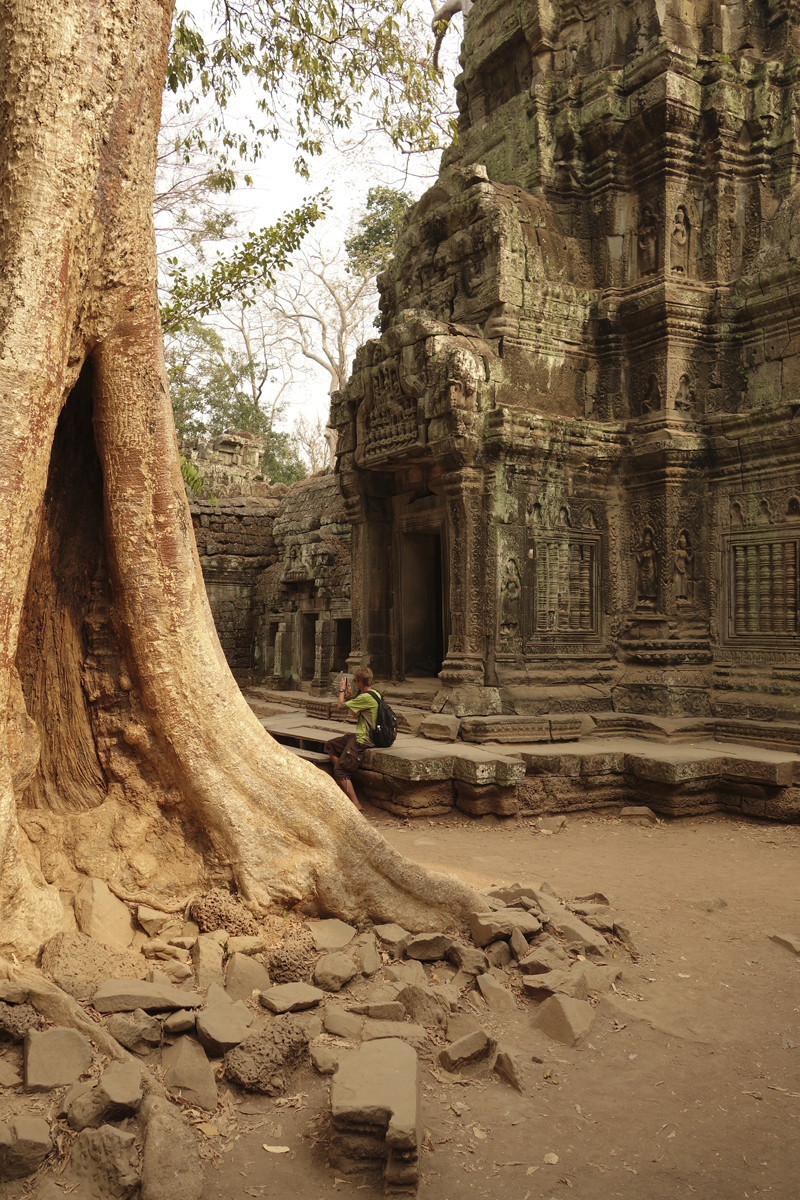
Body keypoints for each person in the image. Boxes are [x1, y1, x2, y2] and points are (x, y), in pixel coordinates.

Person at [323, 667, 380, 812]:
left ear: (360, 681)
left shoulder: (365, 697)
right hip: (360, 735)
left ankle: (355, 803)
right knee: (331, 746)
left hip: (364, 739)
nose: (354, 683)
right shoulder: (374, 694)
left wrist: (341, 690)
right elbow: (355, 714)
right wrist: (349, 696)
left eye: (355, 681)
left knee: (340, 771)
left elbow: (339, 707)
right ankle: (344, 782)